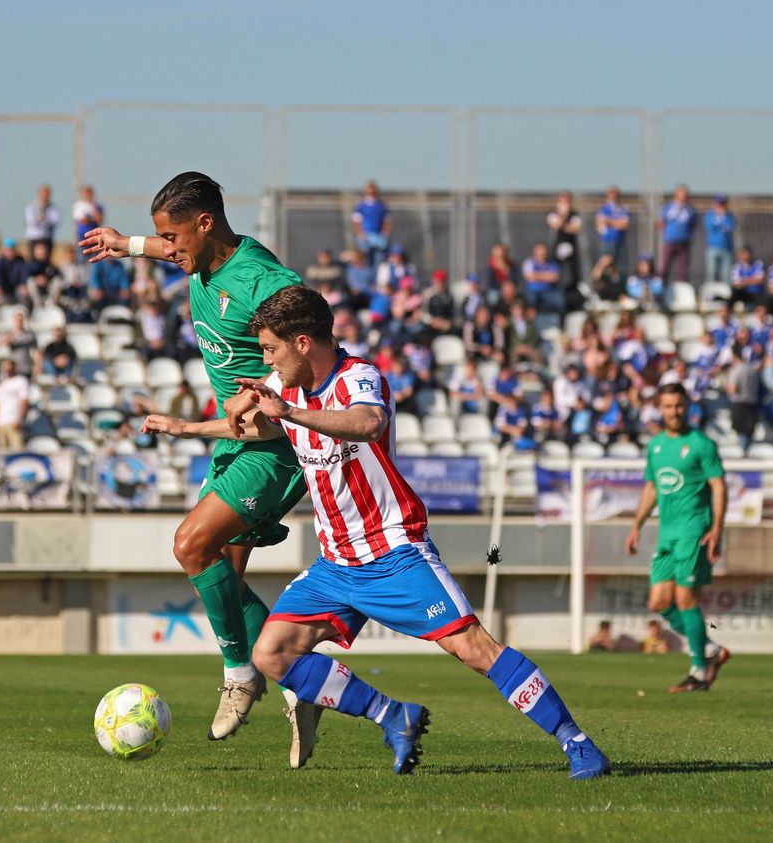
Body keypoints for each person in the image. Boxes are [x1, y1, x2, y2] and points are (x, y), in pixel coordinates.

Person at [215, 284, 608, 779]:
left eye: (271, 348)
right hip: (336, 563)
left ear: (303, 343)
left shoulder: (359, 377)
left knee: (474, 649)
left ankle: (579, 744)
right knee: (271, 652)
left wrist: (288, 412)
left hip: (394, 551)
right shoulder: (285, 386)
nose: (265, 359)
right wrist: (185, 428)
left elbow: (368, 422)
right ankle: (391, 716)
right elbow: (255, 423)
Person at [80, 172, 310, 743]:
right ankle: (304, 680)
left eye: (174, 237)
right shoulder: (199, 258)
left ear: (205, 224)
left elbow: (309, 328)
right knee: (224, 580)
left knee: (190, 544)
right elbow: (165, 246)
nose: (168, 248)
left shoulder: (258, 276)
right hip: (234, 443)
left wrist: (261, 382)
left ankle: (240, 676)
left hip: (275, 446)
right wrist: (125, 243)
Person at [622, 383, 731, 693]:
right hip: (666, 535)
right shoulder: (656, 446)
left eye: (679, 406)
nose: (674, 412)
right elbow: (652, 488)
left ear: (688, 406)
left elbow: (719, 486)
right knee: (659, 602)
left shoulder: (701, 444)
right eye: (668, 406)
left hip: (694, 531)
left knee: (685, 599)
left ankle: (698, 671)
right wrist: (636, 526)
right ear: (660, 407)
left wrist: (717, 529)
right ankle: (710, 649)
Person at [546, 191, 583, 303]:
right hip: (557, 249)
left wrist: (564, 225)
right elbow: (556, 224)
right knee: (557, 271)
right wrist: (564, 215)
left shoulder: (575, 214)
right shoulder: (553, 214)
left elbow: (576, 228)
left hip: (571, 249)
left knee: (573, 273)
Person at [656, 184, 696, 285]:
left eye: (685, 195)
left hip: (684, 242)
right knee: (665, 266)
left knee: (683, 269)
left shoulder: (690, 209)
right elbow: (660, 222)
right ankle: (661, 287)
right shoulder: (668, 207)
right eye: (681, 195)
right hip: (670, 241)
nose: (683, 197)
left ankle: (681, 288)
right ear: (676, 195)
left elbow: (693, 224)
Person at [350, 181, 392, 263]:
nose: (371, 193)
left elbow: (387, 221)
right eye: (369, 192)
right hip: (366, 236)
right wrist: (361, 234)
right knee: (366, 259)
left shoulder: (382, 206)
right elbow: (356, 221)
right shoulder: (361, 206)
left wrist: (385, 234)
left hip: (378, 236)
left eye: (373, 192)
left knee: (379, 259)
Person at [0, 359, 30, 449]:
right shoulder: (3, 383)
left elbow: (24, 401)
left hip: (13, 421)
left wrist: (19, 419)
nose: (7, 369)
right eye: (5, 367)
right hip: (1, 422)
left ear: (14, 367)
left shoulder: (21, 381)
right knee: (2, 452)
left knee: (17, 450)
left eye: (9, 366)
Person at [521, 242, 564, 315]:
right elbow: (529, 277)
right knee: (531, 301)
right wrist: (546, 276)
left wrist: (537, 275)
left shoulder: (552, 263)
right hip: (533, 291)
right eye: (540, 252)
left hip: (550, 291)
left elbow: (555, 278)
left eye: (544, 251)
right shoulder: (529, 263)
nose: (542, 254)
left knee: (560, 300)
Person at [594, 186, 631, 269]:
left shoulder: (623, 208)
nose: (612, 199)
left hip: (620, 241)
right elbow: (600, 223)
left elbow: (624, 225)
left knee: (621, 267)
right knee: (604, 267)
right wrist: (616, 222)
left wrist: (609, 221)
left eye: (615, 196)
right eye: (610, 196)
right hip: (606, 242)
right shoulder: (603, 209)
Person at [703, 195, 736, 286]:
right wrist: (720, 222)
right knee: (711, 272)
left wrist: (723, 218)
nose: (720, 206)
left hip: (726, 248)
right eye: (719, 204)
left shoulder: (729, 216)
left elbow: (731, 227)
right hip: (713, 248)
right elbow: (710, 227)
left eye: (723, 204)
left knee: (726, 274)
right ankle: (709, 293)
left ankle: (726, 295)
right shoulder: (710, 215)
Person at [25, 184, 60, 260]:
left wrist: (45, 220)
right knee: (33, 262)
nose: (45, 196)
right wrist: (39, 220)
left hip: (47, 238)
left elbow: (55, 221)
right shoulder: (32, 206)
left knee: (46, 262)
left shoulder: (53, 207)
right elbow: (31, 221)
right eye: (43, 194)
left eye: (47, 194)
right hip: (34, 238)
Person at [0, 312, 38, 378]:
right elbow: (3, 343)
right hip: (13, 368)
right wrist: (14, 333)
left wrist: (36, 365)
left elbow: (36, 351)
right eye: (17, 320)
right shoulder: (9, 333)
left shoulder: (29, 334)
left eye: (21, 320)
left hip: (26, 367)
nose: (19, 322)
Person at [0, 239, 30, 305]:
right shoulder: (0, 262)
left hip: (17, 289)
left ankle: (25, 309)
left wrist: (24, 284)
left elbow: (24, 273)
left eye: (12, 250)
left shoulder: (20, 261)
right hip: (4, 289)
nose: (10, 253)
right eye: (8, 250)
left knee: (24, 294)